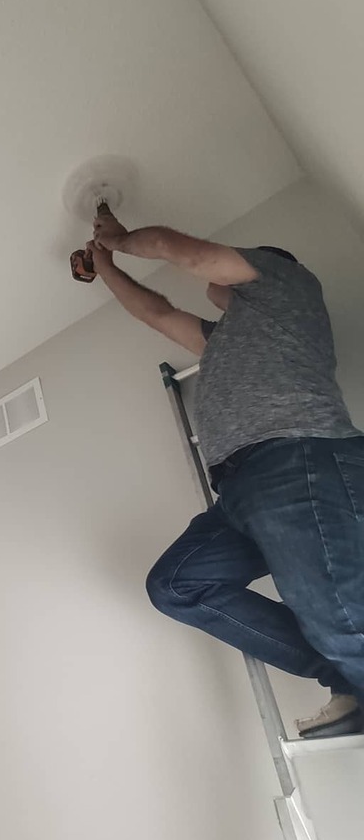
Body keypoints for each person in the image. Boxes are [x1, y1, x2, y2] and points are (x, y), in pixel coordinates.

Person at [85, 209, 364, 737]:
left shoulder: (286, 283)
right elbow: (155, 312)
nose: (214, 279)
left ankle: (354, 680)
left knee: (343, 619)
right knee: (176, 586)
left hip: (298, 459)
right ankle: (346, 683)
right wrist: (106, 266)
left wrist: (120, 239)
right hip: (242, 487)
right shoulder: (227, 340)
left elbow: (180, 249)